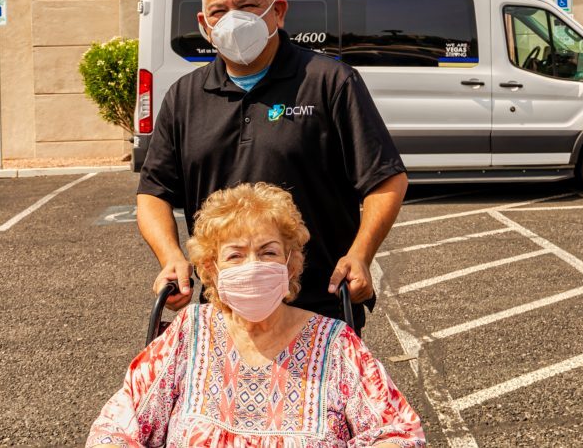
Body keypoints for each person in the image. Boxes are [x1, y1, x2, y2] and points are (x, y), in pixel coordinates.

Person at [136, 0, 408, 325]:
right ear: (204, 25)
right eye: (218, 11)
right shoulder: (185, 97)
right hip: (225, 309)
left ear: (277, 12)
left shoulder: (330, 83)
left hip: (320, 305)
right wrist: (170, 257)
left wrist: (361, 254)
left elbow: (386, 179)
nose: (233, 20)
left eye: (247, 6)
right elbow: (153, 193)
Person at [87, 183, 426, 447]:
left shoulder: (336, 345)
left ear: (291, 264)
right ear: (211, 268)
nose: (253, 267)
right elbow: (115, 429)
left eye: (268, 252)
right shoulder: (188, 334)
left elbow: (397, 434)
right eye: (235, 255)